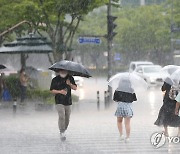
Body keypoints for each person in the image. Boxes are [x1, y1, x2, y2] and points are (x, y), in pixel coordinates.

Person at [50, 69, 77, 141]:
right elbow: (52, 90)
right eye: (61, 71)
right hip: (59, 101)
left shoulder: (70, 78)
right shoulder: (55, 79)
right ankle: (62, 131)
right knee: (61, 116)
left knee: (67, 117)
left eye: (64, 71)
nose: (63, 72)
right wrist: (60, 91)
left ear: (67, 71)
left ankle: (64, 129)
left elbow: (75, 88)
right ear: (58, 71)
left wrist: (69, 84)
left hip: (68, 101)